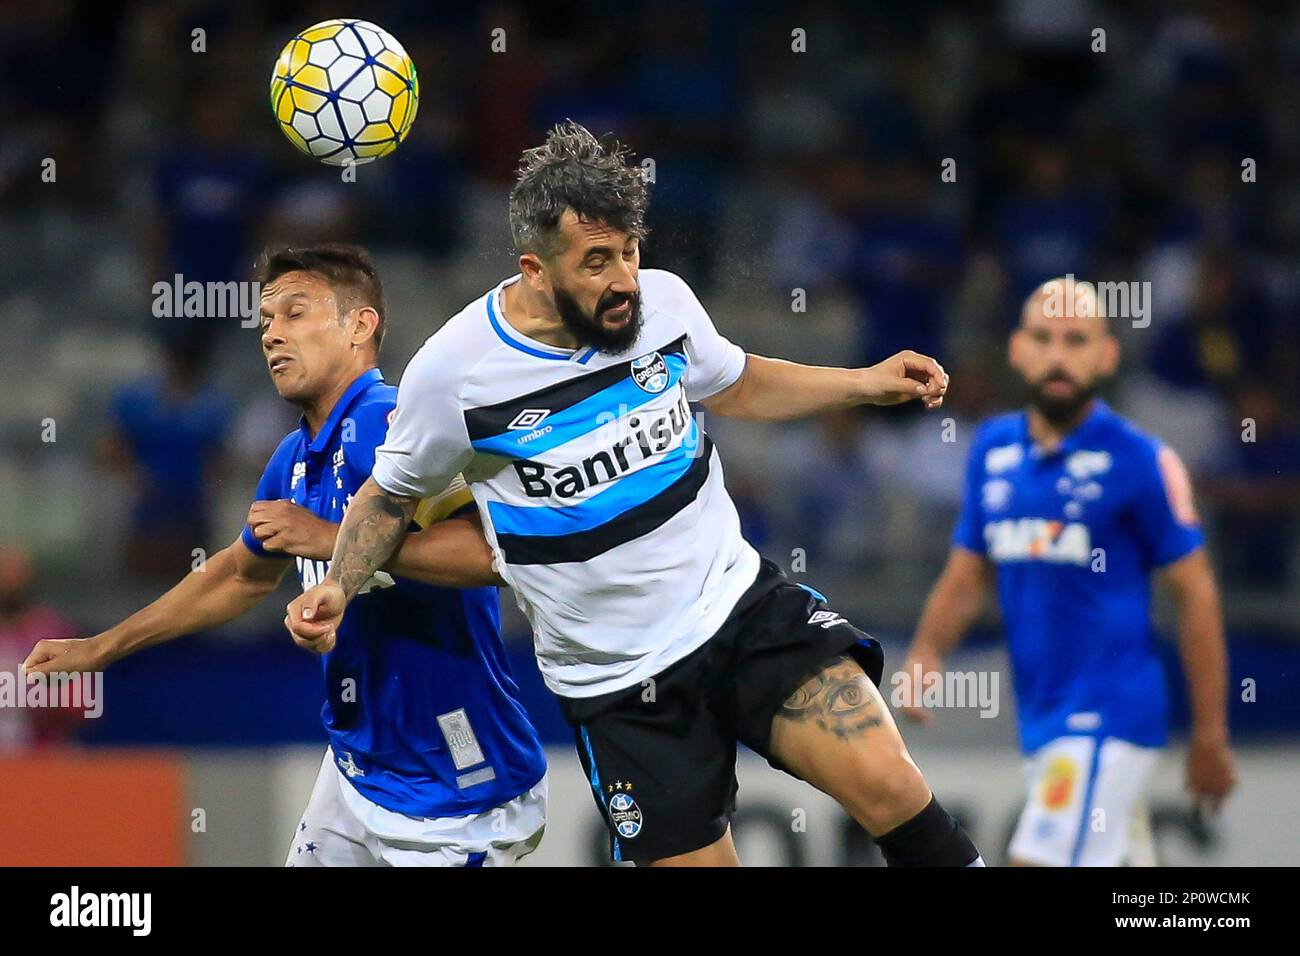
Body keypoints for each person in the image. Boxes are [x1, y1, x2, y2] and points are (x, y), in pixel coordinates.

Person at [287, 122, 983, 868]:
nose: (623, 279)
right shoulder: (454, 373)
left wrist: (864, 384)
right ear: (534, 268)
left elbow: (737, 381)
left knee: (892, 787)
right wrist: (340, 584)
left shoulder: (664, 305)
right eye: (596, 262)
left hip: (739, 610)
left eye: (629, 251)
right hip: (618, 686)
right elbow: (391, 497)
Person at [24, 245, 548, 867]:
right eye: (266, 320)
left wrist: (332, 541)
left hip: (457, 785)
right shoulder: (294, 459)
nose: (272, 334)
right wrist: (101, 648)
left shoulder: (395, 425)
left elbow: (494, 555)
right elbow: (238, 576)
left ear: (361, 326)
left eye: (295, 313)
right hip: (359, 769)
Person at [900, 278, 1237, 866]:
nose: (1058, 354)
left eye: (1076, 340)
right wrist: (927, 654)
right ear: (1017, 348)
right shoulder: (992, 449)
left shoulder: (1141, 460)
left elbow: (1196, 594)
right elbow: (966, 574)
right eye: (1044, 338)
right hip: (1044, 718)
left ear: (1106, 355)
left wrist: (1210, 735)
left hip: (1105, 715)